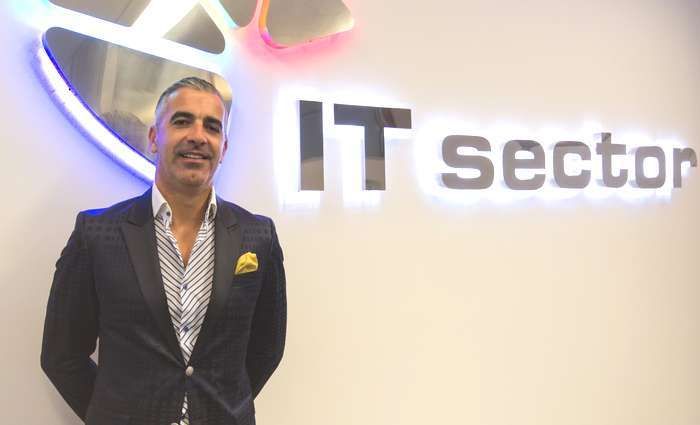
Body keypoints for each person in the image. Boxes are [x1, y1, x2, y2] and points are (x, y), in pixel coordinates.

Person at [41, 77, 286, 425]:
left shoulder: (257, 235)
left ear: (224, 148)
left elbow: (267, 348)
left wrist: (223, 407)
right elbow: (61, 355)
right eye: (182, 121)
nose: (198, 136)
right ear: (155, 138)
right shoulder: (97, 233)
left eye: (212, 127)